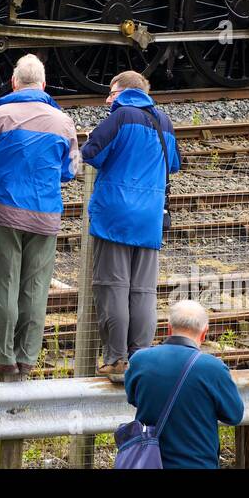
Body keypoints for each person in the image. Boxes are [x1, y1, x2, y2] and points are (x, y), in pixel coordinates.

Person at [0, 54, 81, 381]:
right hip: (44, 216)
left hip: (2, 213)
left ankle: (4, 359)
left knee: (3, 286)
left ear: (14, 83)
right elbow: (71, 170)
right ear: (43, 85)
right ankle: (27, 359)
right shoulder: (63, 121)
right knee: (35, 289)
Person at [81, 70, 181, 380]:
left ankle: (116, 359)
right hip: (150, 218)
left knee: (113, 287)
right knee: (143, 291)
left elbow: (91, 153)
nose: (107, 99)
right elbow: (174, 164)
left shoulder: (120, 116)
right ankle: (141, 357)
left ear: (122, 92)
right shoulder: (163, 121)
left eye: (110, 93)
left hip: (115, 217)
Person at [121, 300, 243, 469]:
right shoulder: (213, 368)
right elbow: (234, 415)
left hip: (150, 462)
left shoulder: (139, 360)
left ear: (169, 328)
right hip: (199, 463)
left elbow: (133, 398)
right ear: (204, 333)